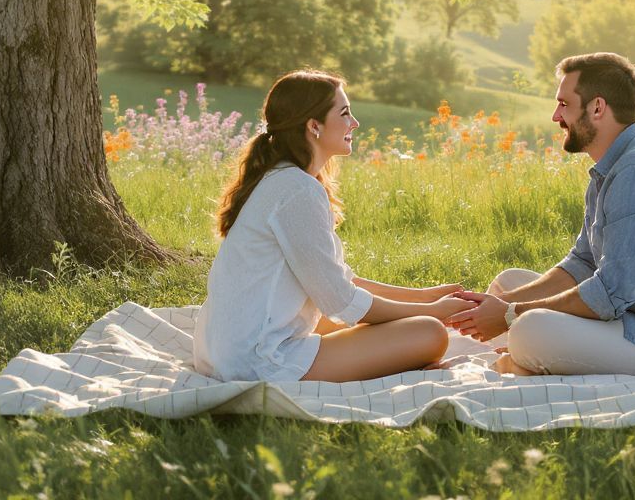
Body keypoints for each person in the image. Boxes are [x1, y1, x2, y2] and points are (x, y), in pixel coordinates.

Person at [448, 52, 635, 377]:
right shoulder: (614, 166)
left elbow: (607, 295)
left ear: (597, 108)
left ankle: (521, 357)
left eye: (564, 104)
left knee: (530, 330)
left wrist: (510, 315)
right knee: (508, 283)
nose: (555, 116)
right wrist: (503, 306)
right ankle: (518, 357)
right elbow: (582, 264)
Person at [193, 69, 474, 383]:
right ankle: (404, 354)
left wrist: (423, 297)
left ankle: (399, 350)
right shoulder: (297, 190)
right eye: (344, 113)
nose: (354, 122)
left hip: (223, 350)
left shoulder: (284, 179)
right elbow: (342, 302)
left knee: (389, 324)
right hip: (254, 361)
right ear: (314, 126)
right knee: (429, 333)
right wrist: (436, 313)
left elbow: (337, 282)